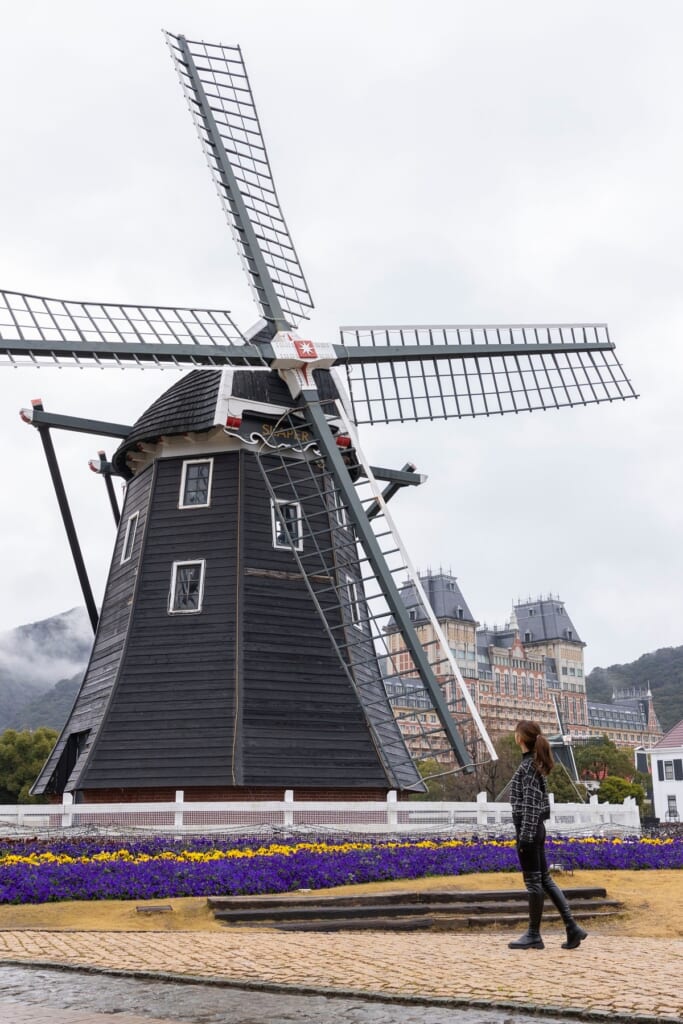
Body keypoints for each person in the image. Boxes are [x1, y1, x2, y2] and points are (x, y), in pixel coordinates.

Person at [508, 720, 587, 950]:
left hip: (530, 829)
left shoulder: (529, 767)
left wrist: (524, 837)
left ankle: (534, 934)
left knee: (533, 882)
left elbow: (531, 805)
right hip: (535, 829)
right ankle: (572, 927)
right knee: (544, 879)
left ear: (520, 738)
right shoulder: (533, 764)